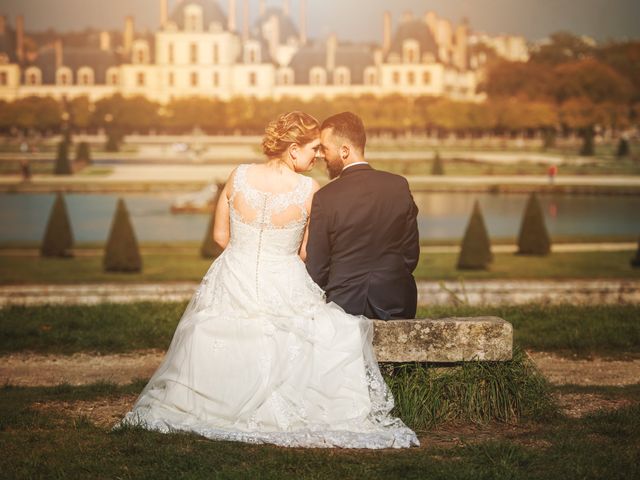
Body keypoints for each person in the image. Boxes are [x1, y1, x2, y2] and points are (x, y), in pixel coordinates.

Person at [116, 111, 419, 449]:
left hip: (234, 269)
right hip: (283, 274)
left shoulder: (239, 174)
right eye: (313, 148)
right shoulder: (308, 188)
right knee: (321, 336)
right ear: (293, 149)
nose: (318, 155)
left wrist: (246, 256)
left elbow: (220, 236)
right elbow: (307, 253)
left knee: (215, 332)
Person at [306, 112, 420, 320]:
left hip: (343, 307)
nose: (321, 155)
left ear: (345, 151)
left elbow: (317, 267)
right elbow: (410, 253)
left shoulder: (325, 197)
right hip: (395, 301)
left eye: (324, 148)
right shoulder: (398, 185)